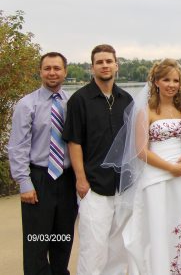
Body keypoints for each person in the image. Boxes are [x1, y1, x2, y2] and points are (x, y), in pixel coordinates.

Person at [103, 58, 181, 274]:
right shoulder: (145, 112)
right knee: (158, 223)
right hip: (156, 175)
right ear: (156, 81)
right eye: (166, 80)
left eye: (175, 80)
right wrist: (169, 167)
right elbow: (141, 151)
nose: (171, 85)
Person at [62, 44, 133, 275]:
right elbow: (74, 142)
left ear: (116, 65)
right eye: (100, 62)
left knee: (119, 247)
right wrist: (81, 180)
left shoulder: (126, 99)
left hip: (123, 186)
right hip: (93, 185)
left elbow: (134, 142)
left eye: (109, 61)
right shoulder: (79, 100)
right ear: (92, 67)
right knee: (94, 248)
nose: (105, 65)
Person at [8, 52, 77, 275]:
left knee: (63, 238)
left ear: (65, 72)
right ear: (40, 72)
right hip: (38, 179)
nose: (52, 72)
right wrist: (24, 182)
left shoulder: (71, 104)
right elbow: (17, 146)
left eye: (57, 68)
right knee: (37, 240)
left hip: (67, 179)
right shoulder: (26, 105)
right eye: (47, 68)